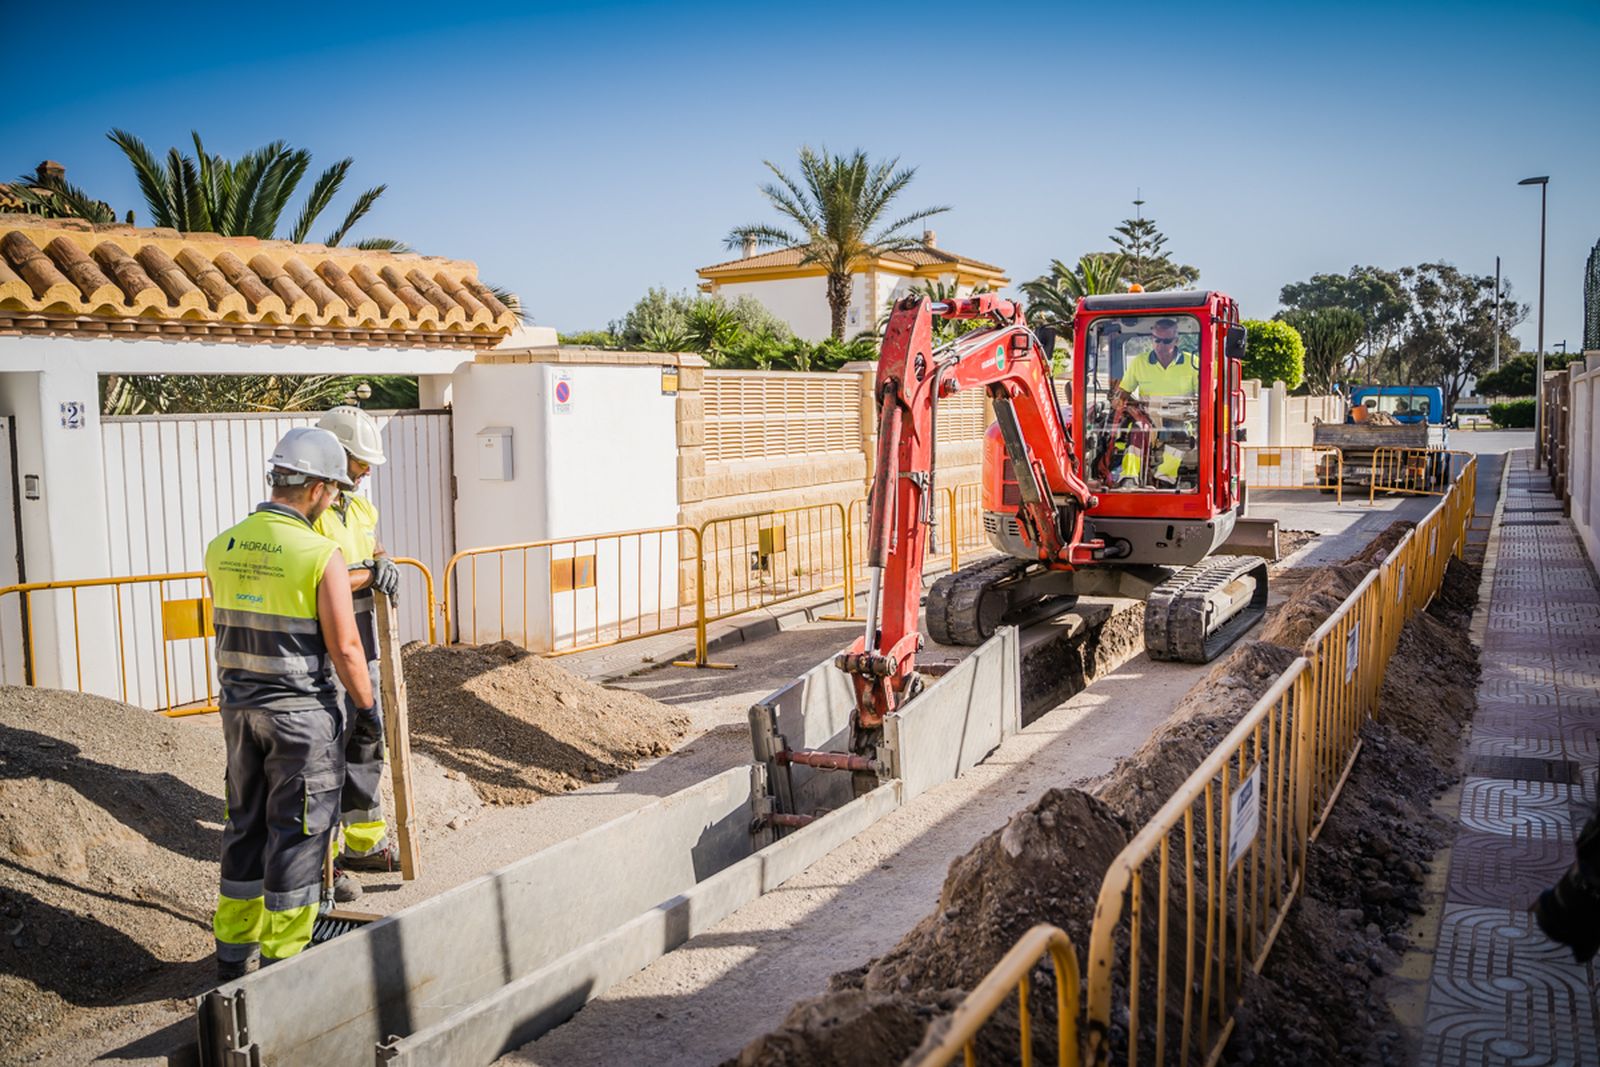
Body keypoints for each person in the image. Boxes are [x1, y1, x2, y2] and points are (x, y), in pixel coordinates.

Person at [205, 427, 376, 979]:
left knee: (245, 825)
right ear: (321, 490)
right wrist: (368, 708)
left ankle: (233, 956)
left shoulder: (223, 545)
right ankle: (287, 966)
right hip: (300, 717)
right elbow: (347, 647)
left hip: (239, 713)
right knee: (300, 836)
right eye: (335, 489)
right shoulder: (319, 553)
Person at [311, 407, 401, 895]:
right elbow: (322, 580)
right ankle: (321, 862)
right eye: (359, 460)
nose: (366, 469)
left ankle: (363, 846)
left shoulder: (361, 507)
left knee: (366, 738)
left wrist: (383, 561)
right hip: (323, 645)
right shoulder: (311, 511)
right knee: (323, 752)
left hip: (361, 638)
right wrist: (369, 572)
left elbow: (374, 548)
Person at [1114, 319, 1200, 486]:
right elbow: (1124, 392)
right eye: (1157, 340)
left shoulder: (1193, 363)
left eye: (1167, 341)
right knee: (1137, 431)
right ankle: (1129, 477)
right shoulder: (1139, 362)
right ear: (1151, 339)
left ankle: (1165, 478)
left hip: (1180, 418)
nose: (1161, 345)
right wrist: (1121, 402)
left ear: (1176, 341)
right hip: (1150, 418)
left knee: (1179, 434)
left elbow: (1206, 394)